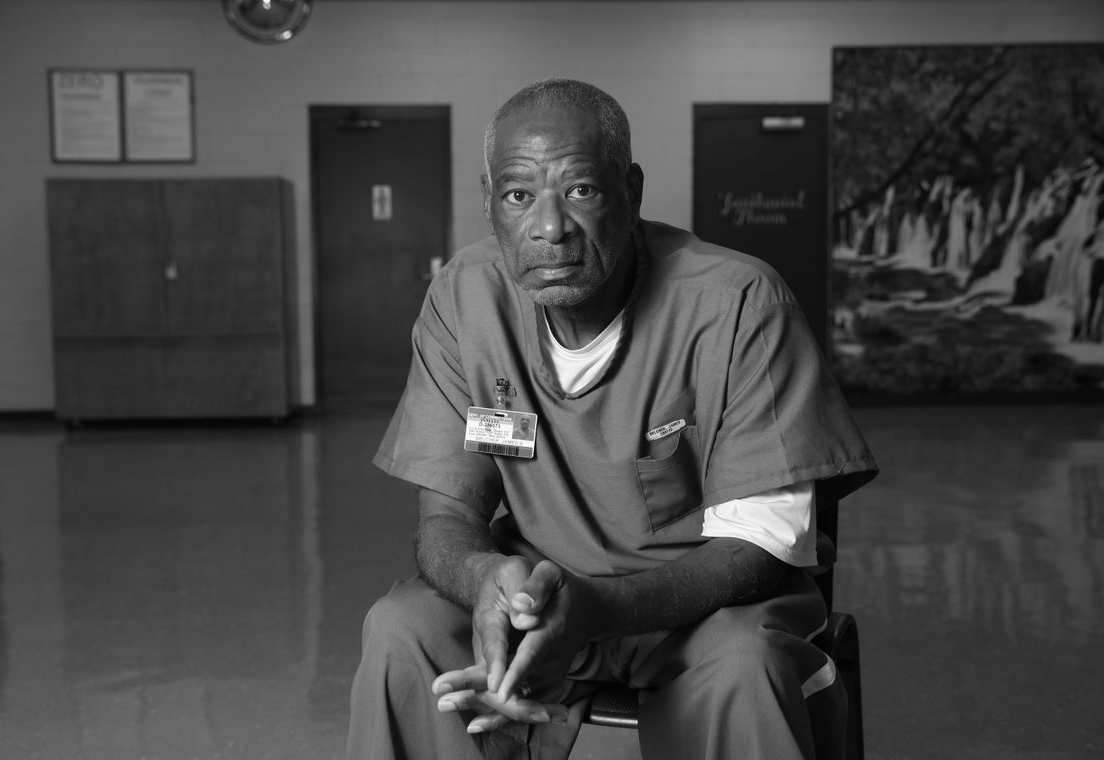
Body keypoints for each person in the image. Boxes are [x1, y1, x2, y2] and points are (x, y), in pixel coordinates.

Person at [344, 78, 877, 760]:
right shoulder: (464, 297)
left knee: (746, 667)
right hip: (538, 591)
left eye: (581, 190)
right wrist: (485, 581)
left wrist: (598, 611)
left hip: (700, 606)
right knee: (400, 628)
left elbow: (757, 551)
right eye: (517, 195)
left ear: (632, 191)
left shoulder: (737, 303)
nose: (549, 226)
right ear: (489, 204)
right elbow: (447, 514)